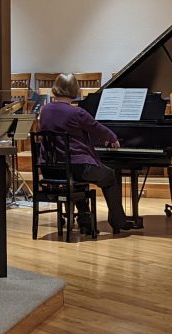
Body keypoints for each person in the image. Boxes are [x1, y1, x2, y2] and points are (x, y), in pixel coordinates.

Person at [38, 73, 132, 233]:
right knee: (109, 176)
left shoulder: (45, 110)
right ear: (74, 89)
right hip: (76, 167)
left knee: (80, 176)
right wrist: (112, 137)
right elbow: (97, 127)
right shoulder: (77, 113)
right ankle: (118, 221)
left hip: (50, 168)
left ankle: (85, 220)